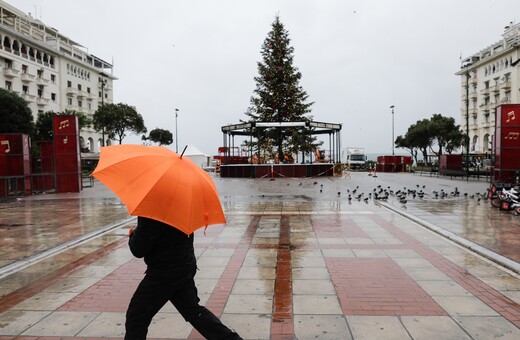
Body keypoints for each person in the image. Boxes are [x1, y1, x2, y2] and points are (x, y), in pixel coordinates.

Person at [125, 216, 242, 340]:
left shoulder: (151, 212)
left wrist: (133, 235)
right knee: (194, 313)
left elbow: (138, 249)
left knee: (136, 317)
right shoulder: (182, 205)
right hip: (184, 266)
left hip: (163, 273)